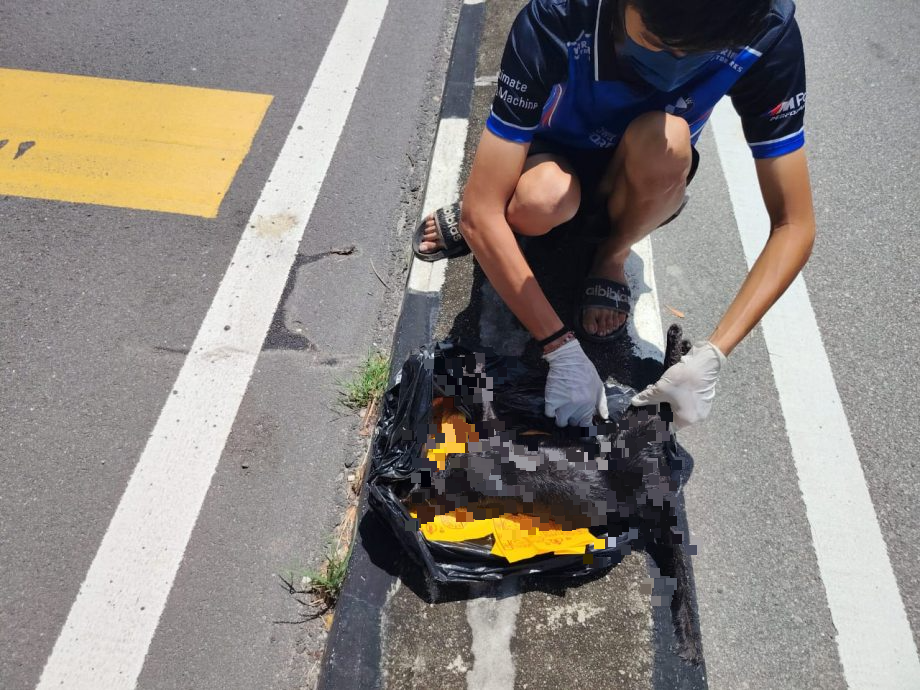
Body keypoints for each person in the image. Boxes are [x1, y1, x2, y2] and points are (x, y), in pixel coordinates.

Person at [413, 0, 815, 429]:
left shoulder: (766, 30)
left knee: (670, 141)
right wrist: (560, 347)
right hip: (549, 158)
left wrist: (712, 355)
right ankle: (498, 198)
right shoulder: (560, 15)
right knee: (537, 203)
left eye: (695, 55)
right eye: (655, 42)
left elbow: (794, 224)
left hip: (641, 169)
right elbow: (483, 212)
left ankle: (611, 256)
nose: (673, 66)